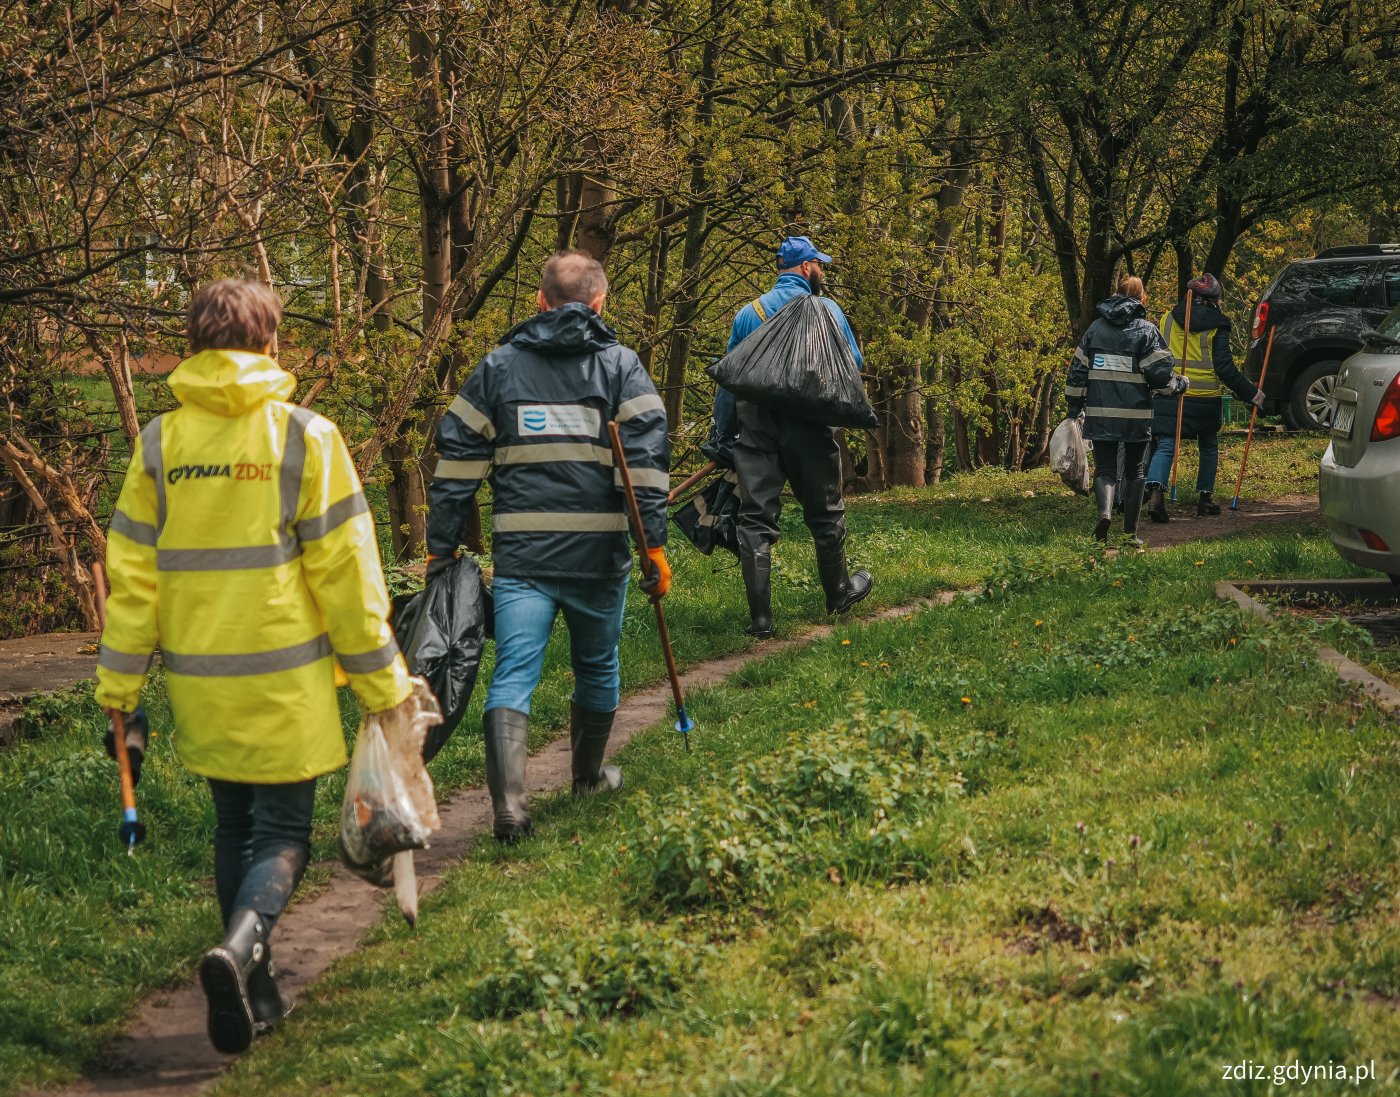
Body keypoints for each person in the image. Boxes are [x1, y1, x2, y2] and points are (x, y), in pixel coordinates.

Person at [94, 279, 416, 1054]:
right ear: (270, 342)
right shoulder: (306, 437)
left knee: (233, 825)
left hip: (202, 676)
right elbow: (347, 572)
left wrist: (120, 686)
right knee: (282, 831)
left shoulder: (161, 445)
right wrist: (383, 682)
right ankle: (239, 951)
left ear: (195, 344)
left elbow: (131, 577)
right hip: (285, 673)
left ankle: (258, 987)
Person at [426, 251, 670, 843]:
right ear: (598, 303)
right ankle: (587, 777)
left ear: (540, 302)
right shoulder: (621, 367)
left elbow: (456, 463)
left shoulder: (498, 369)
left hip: (523, 560)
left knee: (513, 674)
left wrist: (442, 548)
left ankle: (510, 808)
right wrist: (653, 548)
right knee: (598, 665)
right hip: (598, 559)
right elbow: (644, 466)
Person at [702, 235, 872, 639]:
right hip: (811, 426)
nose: (822, 272)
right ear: (806, 266)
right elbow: (853, 363)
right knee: (826, 513)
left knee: (755, 520)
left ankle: (761, 621)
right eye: (820, 265)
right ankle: (838, 594)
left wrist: (723, 436)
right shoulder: (827, 310)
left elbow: (729, 379)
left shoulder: (750, 312)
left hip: (756, 427)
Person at [1066, 275, 1188, 545]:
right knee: (1135, 472)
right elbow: (1160, 377)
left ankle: (1105, 514)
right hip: (1136, 416)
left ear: (1116, 295)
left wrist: (1074, 408)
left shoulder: (1095, 329)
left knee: (1106, 469)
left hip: (1100, 414)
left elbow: (1077, 373)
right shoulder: (1146, 331)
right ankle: (1130, 534)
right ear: (1142, 299)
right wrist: (1179, 384)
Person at [1146, 273, 1265, 521]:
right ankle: (1205, 499)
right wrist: (1251, 393)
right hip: (1205, 397)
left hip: (1171, 392)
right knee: (1208, 447)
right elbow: (1224, 368)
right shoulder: (1218, 325)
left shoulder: (1167, 318)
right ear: (1214, 299)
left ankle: (1156, 495)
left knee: (1167, 444)